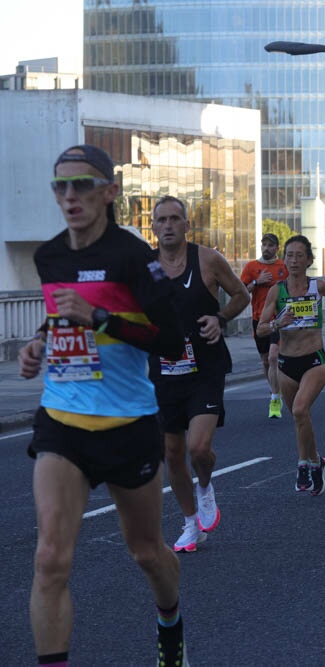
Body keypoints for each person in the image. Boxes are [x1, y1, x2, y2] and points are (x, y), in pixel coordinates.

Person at [18, 145, 189, 665]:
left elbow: (169, 340)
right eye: (60, 186)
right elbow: (59, 317)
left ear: (109, 192)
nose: (70, 196)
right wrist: (39, 343)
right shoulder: (49, 256)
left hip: (127, 423)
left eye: (83, 185)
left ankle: (170, 624)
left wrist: (101, 319)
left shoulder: (134, 258)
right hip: (62, 420)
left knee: (146, 552)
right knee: (50, 559)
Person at [149, 196, 249, 553]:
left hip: (205, 365)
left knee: (198, 447)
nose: (169, 225)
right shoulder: (145, 268)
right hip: (163, 370)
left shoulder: (207, 260)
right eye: (162, 219)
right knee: (172, 454)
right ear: (154, 225)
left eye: (176, 218)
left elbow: (241, 295)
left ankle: (205, 486)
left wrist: (220, 319)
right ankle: (191, 523)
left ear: (187, 225)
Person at [258, 236, 325, 496]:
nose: (294, 260)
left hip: (314, 359)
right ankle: (318, 462)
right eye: (289, 255)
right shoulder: (277, 291)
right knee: (299, 418)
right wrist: (278, 323)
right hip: (287, 364)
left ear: (309, 260)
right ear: (284, 259)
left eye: (300, 255)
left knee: (300, 410)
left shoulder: (317, 286)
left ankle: (302, 463)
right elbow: (261, 328)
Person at [241, 233, 289, 418]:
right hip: (259, 319)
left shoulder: (283, 267)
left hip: (279, 319)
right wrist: (256, 282)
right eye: (264, 245)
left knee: (273, 357)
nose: (266, 248)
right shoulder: (252, 267)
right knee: (265, 361)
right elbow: (240, 291)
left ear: (277, 248)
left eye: (270, 245)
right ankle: (274, 389)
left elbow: (292, 286)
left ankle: (275, 398)